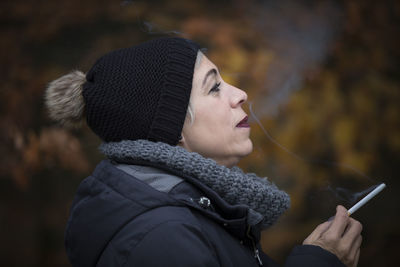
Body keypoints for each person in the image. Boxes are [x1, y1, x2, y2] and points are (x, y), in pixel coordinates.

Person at [45, 37, 362, 267]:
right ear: (172, 129)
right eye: (214, 88)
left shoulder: (191, 216)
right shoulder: (162, 237)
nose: (240, 94)